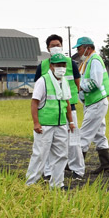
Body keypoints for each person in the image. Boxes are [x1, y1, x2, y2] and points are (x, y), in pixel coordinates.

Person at [35, 34, 82, 181]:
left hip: (69, 108)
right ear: (48, 48)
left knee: (73, 141)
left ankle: (77, 170)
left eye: (58, 45)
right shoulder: (42, 65)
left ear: (62, 46)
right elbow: (38, 86)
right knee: (49, 143)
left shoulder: (71, 63)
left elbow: (77, 83)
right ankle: (49, 172)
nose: (56, 47)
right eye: (52, 45)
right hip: (50, 112)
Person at [26, 53, 74, 188]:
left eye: (63, 65)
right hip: (45, 125)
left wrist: (70, 122)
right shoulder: (43, 81)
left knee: (62, 155)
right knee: (40, 155)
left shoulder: (64, 82)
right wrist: (36, 122)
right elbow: (34, 103)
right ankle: (31, 184)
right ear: (52, 66)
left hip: (60, 124)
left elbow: (67, 103)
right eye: (58, 65)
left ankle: (57, 184)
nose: (61, 68)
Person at [75, 37, 109, 174]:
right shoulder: (88, 61)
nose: (78, 52)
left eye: (79, 48)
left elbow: (95, 82)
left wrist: (80, 87)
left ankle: (76, 166)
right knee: (99, 134)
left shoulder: (94, 60)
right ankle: (105, 165)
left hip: (96, 103)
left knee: (84, 134)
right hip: (94, 102)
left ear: (87, 48)